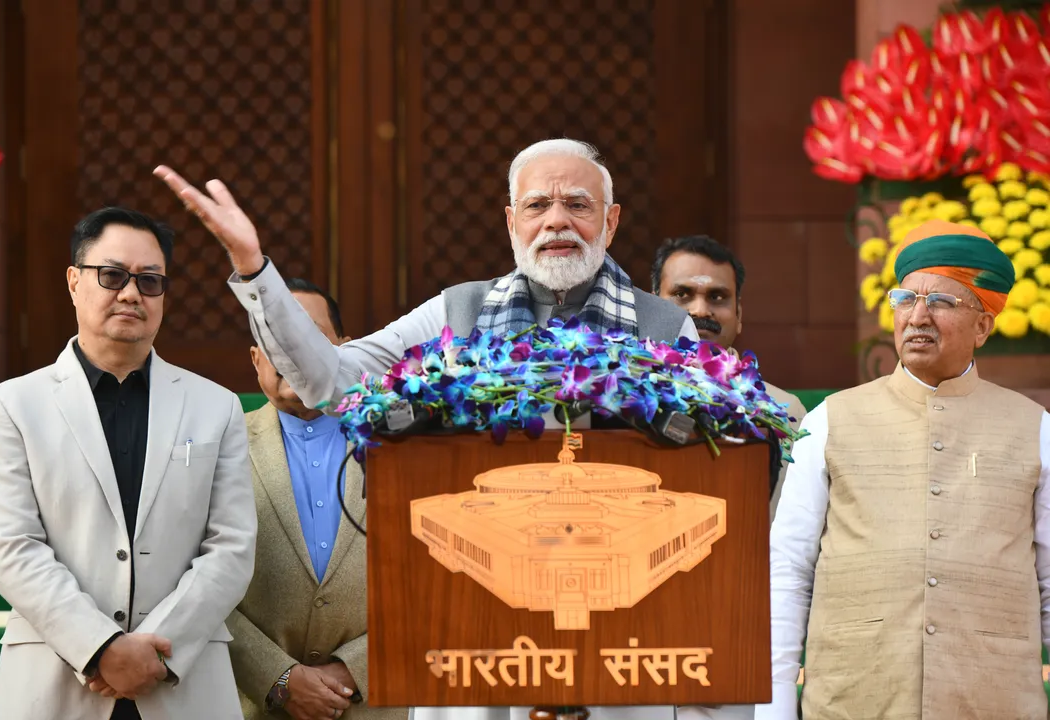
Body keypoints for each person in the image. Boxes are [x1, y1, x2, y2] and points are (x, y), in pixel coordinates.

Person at [155, 139, 699, 720]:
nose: (557, 220)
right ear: (511, 222)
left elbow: (705, 477)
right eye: (538, 205)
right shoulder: (456, 314)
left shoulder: (665, 329)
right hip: (477, 630)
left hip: (619, 628)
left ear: (610, 222)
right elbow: (328, 378)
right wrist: (253, 269)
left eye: (578, 205)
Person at [0, 207, 257, 720]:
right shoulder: (12, 405)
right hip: (55, 680)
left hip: (181, 680)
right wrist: (102, 648)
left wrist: (153, 653)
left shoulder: (217, 406)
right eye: (112, 275)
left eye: (149, 281)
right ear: (74, 282)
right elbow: (12, 547)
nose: (131, 293)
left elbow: (231, 548)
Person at [757, 219, 1050, 719]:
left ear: (983, 325)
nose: (918, 316)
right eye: (905, 299)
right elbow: (788, 570)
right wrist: (775, 708)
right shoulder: (830, 420)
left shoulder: (1034, 428)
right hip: (854, 701)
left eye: (941, 302)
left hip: (992, 702)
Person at [228, 278, 403, 720]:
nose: (293, 355)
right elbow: (190, 579)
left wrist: (353, 670)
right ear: (256, 358)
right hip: (250, 703)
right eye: (276, 340)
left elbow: (438, 576)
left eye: (309, 339)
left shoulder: (405, 443)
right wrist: (278, 677)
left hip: (375, 701)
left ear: (345, 350)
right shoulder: (218, 445)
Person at [653, 235, 806, 521]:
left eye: (717, 297)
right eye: (682, 294)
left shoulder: (784, 410)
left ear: (738, 314)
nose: (700, 310)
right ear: (652, 307)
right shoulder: (629, 396)